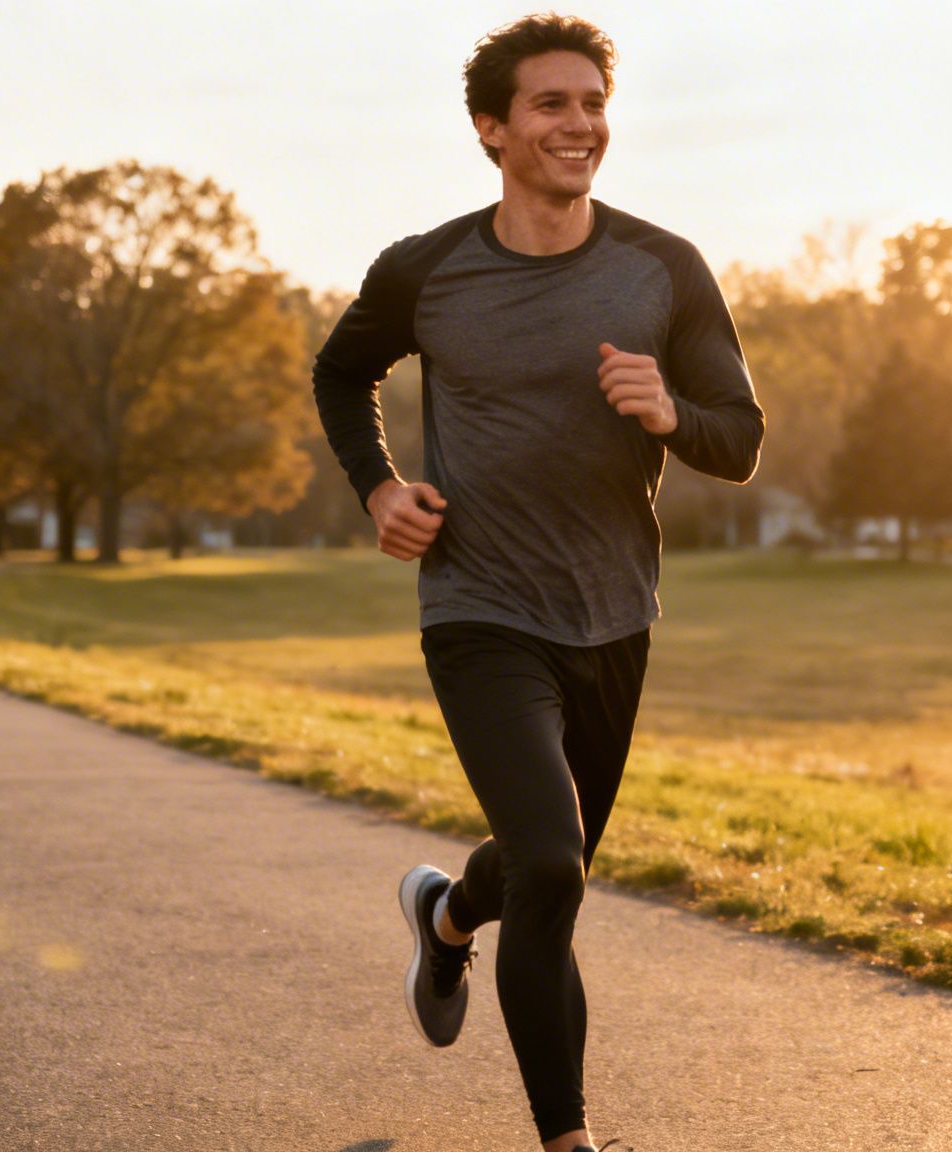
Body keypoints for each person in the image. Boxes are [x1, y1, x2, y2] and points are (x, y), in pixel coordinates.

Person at [311, 14, 763, 1151]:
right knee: (554, 868)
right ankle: (567, 1141)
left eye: (593, 105)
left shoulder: (663, 267)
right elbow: (338, 371)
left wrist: (670, 413)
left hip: (611, 615)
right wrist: (377, 488)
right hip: (478, 609)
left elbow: (740, 439)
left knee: (535, 869)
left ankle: (447, 914)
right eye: (552, 106)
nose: (579, 126)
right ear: (491, 128)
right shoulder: (426, 269)